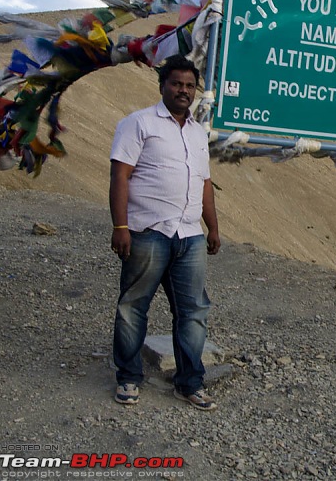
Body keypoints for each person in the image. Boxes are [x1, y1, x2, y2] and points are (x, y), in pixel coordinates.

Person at [109, 55, 220, 411]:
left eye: (190, 86)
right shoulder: (137, 123)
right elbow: (120, 176)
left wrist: (212, 227)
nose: (183, 91)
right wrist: (120, 226)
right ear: (163, 86)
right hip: (147, 232)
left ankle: (190, 382)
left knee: (193, 311)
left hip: (190, 236)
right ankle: (128, 377)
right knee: (133, 307)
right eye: (177, 84)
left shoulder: (197, 132)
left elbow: (204, 183)